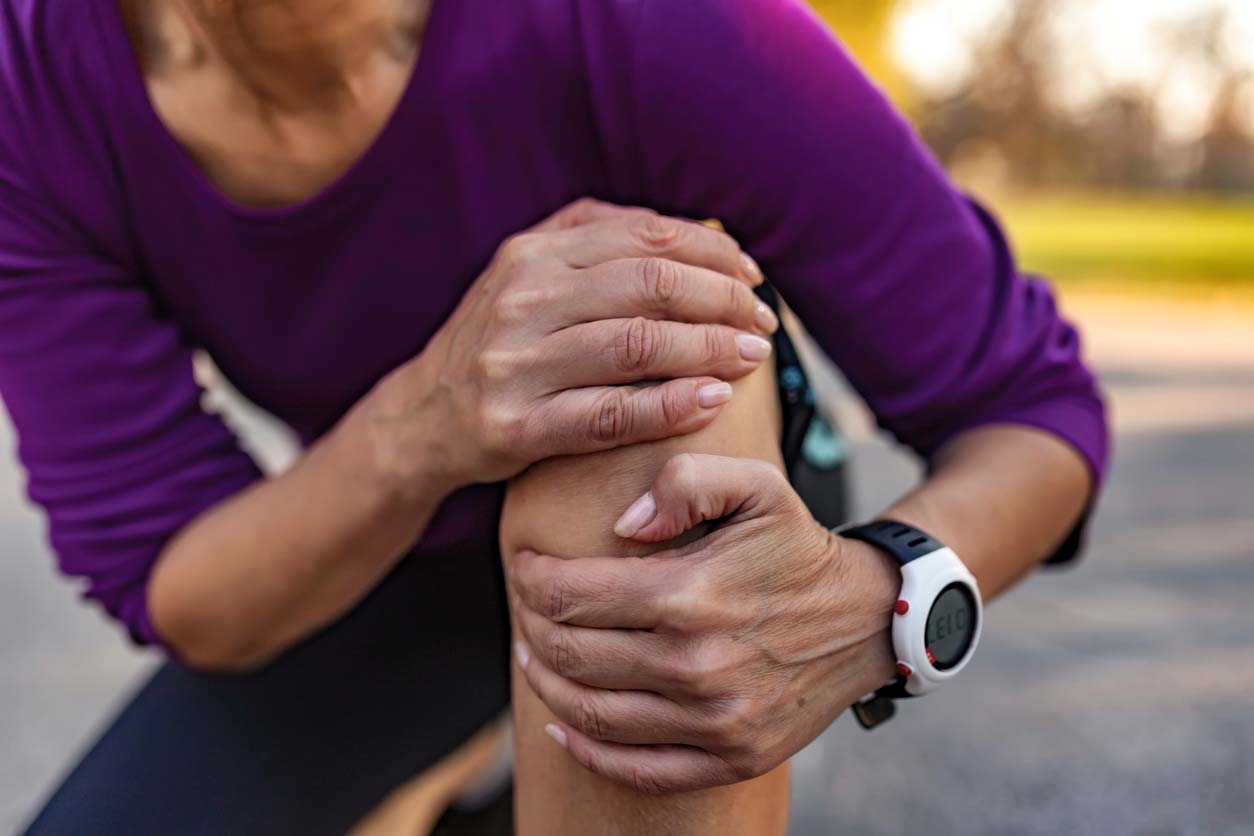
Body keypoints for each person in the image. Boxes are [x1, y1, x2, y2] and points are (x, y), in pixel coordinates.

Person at [0, 0, 1107, 834]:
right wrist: (430, 417)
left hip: (690, 501)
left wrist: (875, 600)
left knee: (623, 325)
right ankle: (478, 769)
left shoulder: (651, 20)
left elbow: (1026, 407)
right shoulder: (31, 83)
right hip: (387, 542)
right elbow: (185, 580)